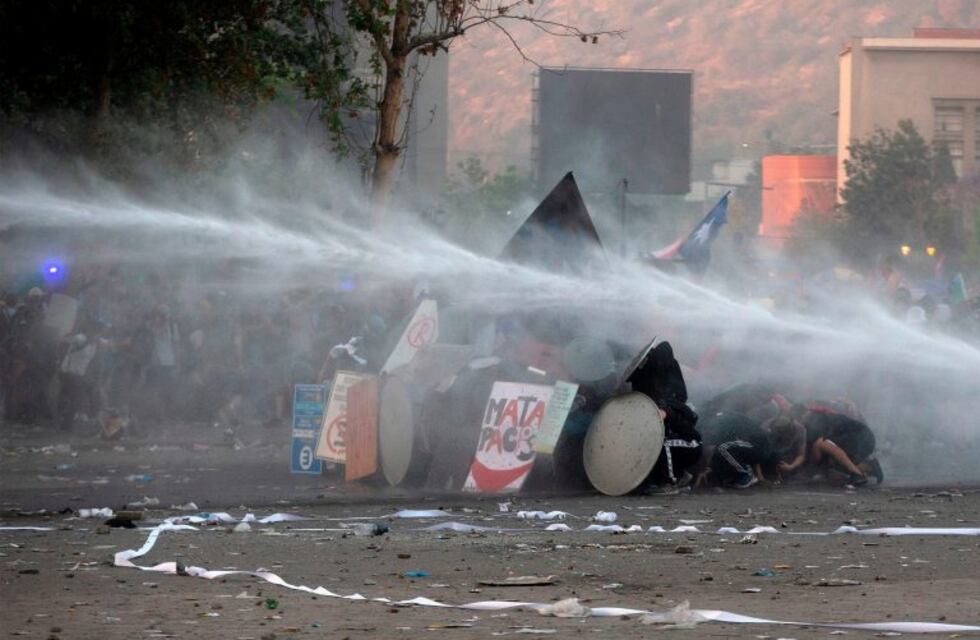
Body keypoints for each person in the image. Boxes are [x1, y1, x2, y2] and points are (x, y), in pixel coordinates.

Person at [628, 341, 702, 491]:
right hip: (675, 442)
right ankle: (666, 477)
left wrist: (667, 414)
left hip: (691, 444)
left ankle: (671, 482)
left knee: (662, 444)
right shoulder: (652, 401)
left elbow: (688, 425)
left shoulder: (676, 406)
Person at [696, 412, 771, 489]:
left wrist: (705, 468)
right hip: (759, 449)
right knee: (725, 449)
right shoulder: (729, 418)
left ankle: (746, 474)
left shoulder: (721, 423)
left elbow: (710, 448)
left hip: (757, 447)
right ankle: (739, 476)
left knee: (723, 448)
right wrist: (760, 477)